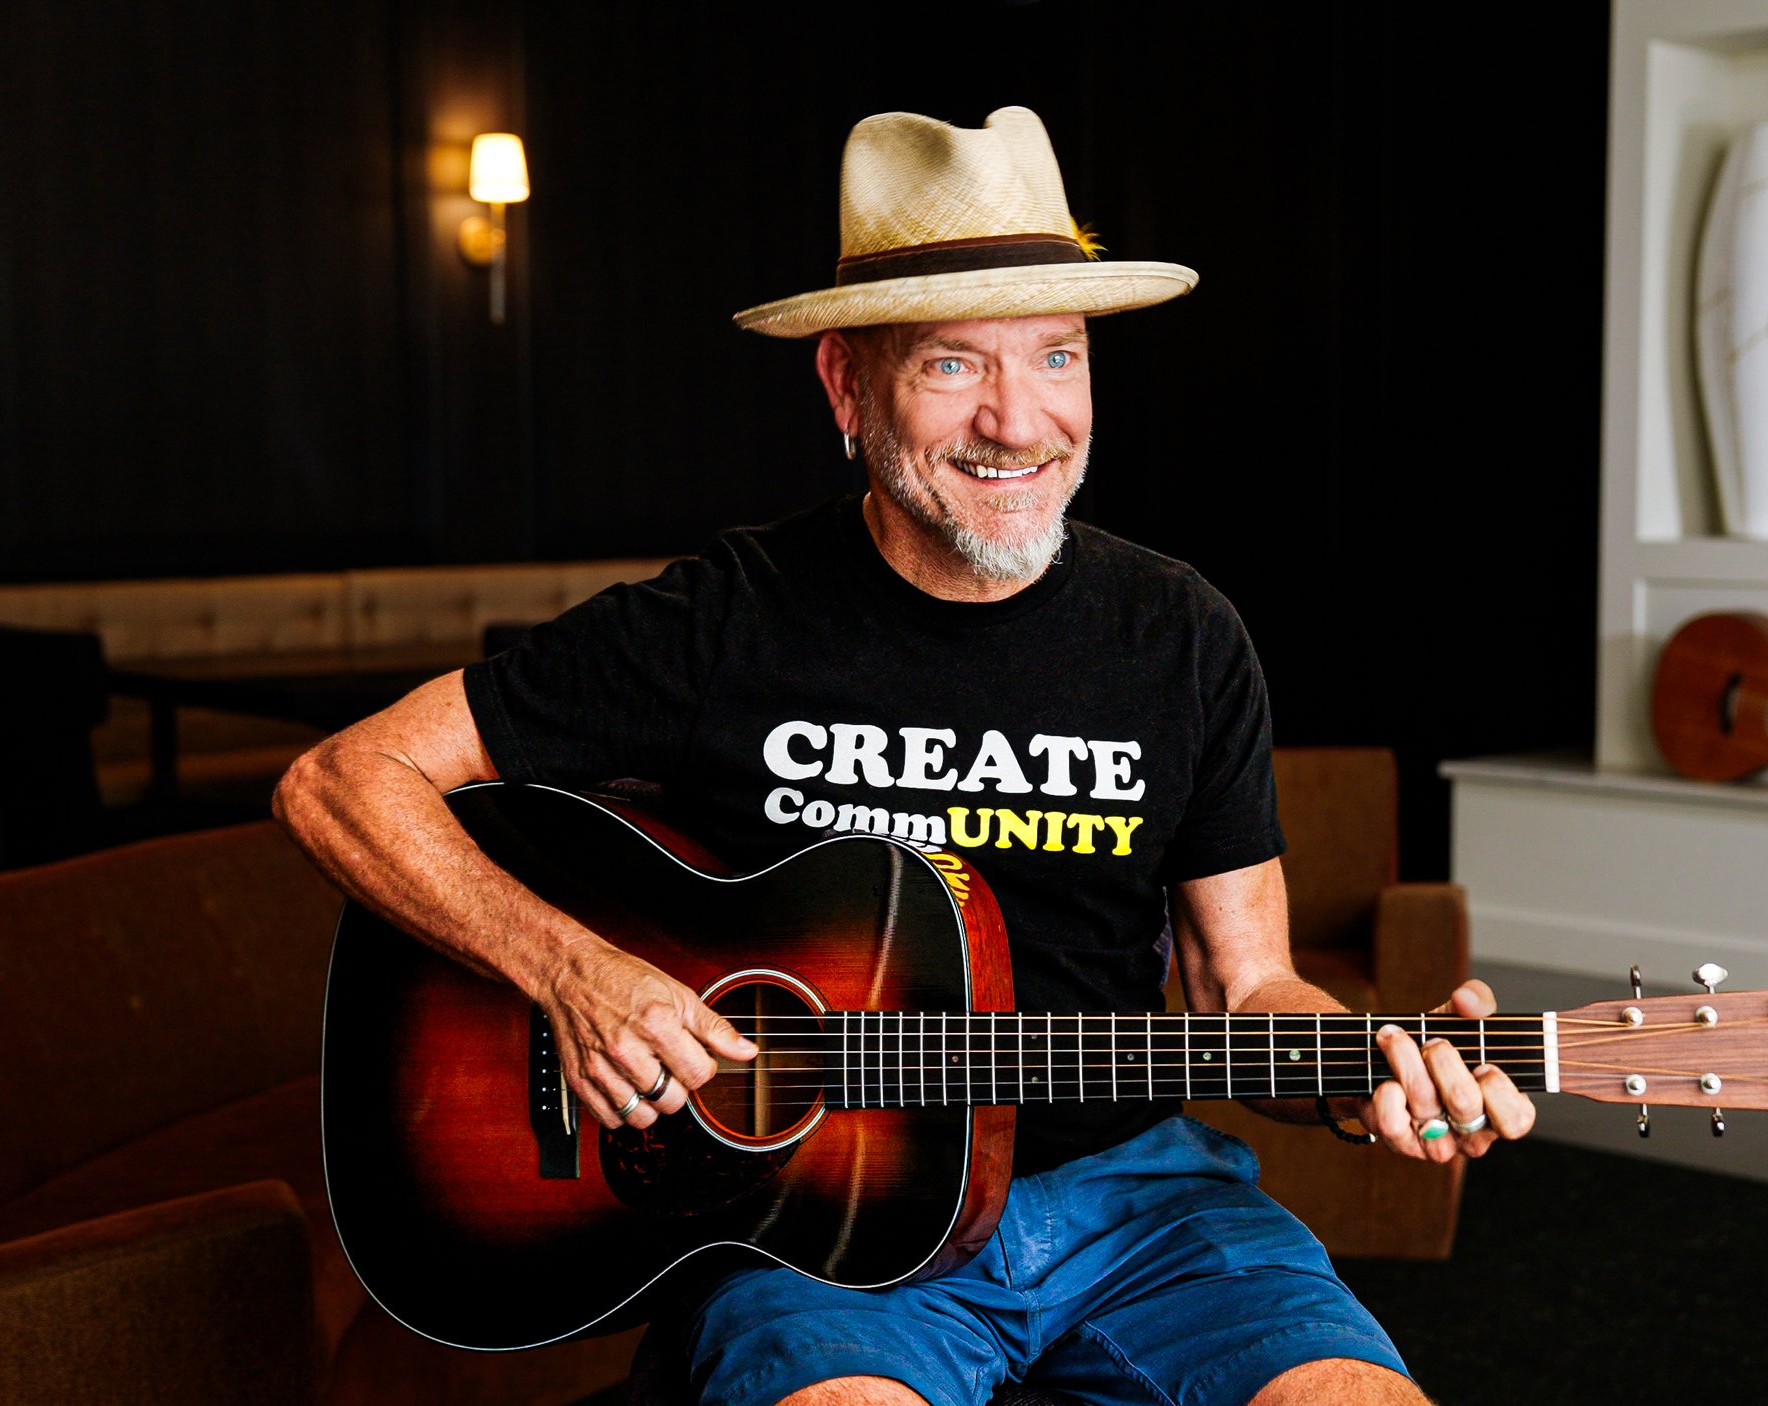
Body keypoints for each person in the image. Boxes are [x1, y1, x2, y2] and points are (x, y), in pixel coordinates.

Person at [275, 105, 1535, 1406]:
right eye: (951, 364)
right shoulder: (724, 620)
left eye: (1057, 355)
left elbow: (1245, 985)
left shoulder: (1183, 636)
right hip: (823, 1232)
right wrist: (571, 970)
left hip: (1144, 1207)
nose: (1019, 421)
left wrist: (1364, 1073)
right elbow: (340, 781)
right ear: (845, 384)